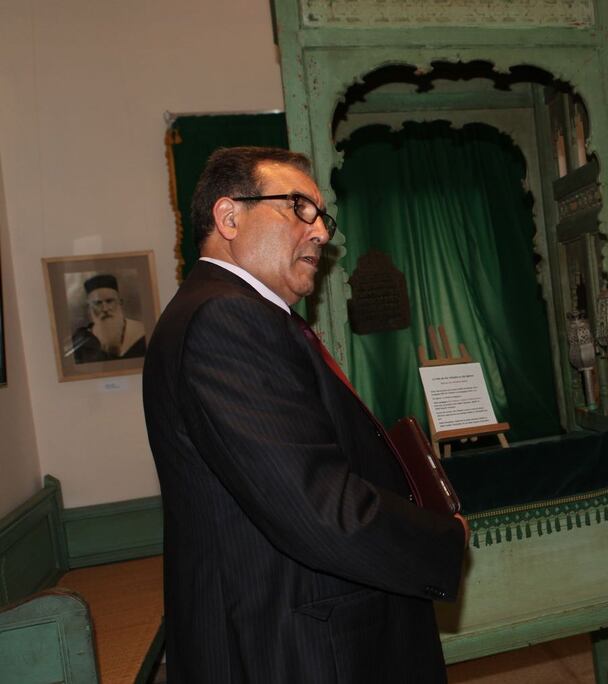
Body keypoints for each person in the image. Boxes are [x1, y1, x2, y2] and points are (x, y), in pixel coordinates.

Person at [143, 146, 468, 683]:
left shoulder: (235, 312)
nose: (320, 232)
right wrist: (441, 538)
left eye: (322, 216)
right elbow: (315, 505)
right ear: (228, 217)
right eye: (297, 207)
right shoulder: (224, 319)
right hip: (290, 642)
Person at [68, 273, 147, 362]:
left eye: (109, 301)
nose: (105, 309)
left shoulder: (141, 333)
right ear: (89, 308)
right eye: (98, 303)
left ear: (120, 302)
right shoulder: (84, 340)